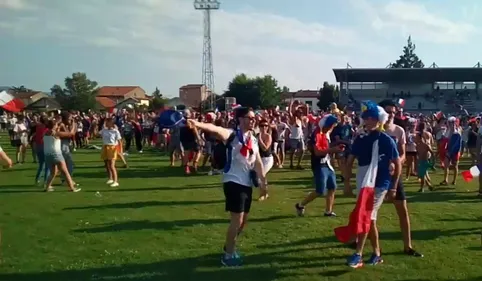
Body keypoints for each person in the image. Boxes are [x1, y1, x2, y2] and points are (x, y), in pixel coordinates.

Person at [186, 107, 266, 267]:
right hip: (233, 182)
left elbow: (257, 161)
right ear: (240, 119)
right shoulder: (232, 135)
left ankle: (228, 245)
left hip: (247, 184)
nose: (253, 120)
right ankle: (228, 255)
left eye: (253, 118)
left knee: (243, 223)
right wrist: (197, 124)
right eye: (249, 117)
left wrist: (264, 183)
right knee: (237, 221)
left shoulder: (254, 138)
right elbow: (215, 128)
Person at [341, 101, 401, 268]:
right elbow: (350, 160)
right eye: (366, 118)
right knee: (371, 219)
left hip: (380, 183)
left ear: (379, 120)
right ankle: (376, 253)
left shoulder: (386, 140)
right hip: (363, 180)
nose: (368, 121)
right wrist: (347, 182)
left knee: (365, 215)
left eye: (372, 118)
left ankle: (358, 254)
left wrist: (394, 186)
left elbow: (398, 163)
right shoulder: (360, 139)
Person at [378, 99, 423, 257]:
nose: (391, 115)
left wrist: (396, 162)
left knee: (403, 212)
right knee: (368, 211)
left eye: (393, 112)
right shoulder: (374, 129)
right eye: (388, 111)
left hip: (394, 176)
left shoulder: (399, 131)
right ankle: (359, 240)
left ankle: (407, 246)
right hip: (375, 176)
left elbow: (403, 154)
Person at [295, 114, 342, 217]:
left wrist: (336, 147)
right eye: (331, 125)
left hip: (327, 163)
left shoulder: (326, 132)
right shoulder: (317, 133)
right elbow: (317, 152)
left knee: (332, 187)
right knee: (320, 190)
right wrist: (332, 150)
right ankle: (300, 205)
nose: (332, 127)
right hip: (319, 164)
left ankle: (328, 211)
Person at [43, 119, 81, 192]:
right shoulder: (56, 133)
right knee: (65, 172)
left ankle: (47, 187)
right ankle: (72, 188)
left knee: (53, 172)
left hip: (47, 155)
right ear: (54, 126)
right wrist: (73, 124)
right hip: (56, 154)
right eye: (56, 125)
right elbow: (71, 134)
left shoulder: (45, 133)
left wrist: (58, 126)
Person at [100, 117, 122, 187]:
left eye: (107, 122)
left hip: (112, 147)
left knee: (112, 165)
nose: (106, 123)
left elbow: (119, 141)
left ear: (111, 123)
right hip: (105, 147)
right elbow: (96, 134)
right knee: (107, 164)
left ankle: (116, 181)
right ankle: (110, 178)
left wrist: (120, 150)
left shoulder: (115, 131)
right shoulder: (104, 130)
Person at [257, 119, 273, 201]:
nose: (264, 127)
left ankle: (262, 195)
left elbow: (265, 148)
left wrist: (259, 138)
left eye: (266, 126)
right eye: (262, 125)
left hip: (267, 159)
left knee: (261, 176)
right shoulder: (256, 136)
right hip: (259, 159)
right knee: (260, 177)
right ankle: (265, 193)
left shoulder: (268, 136)